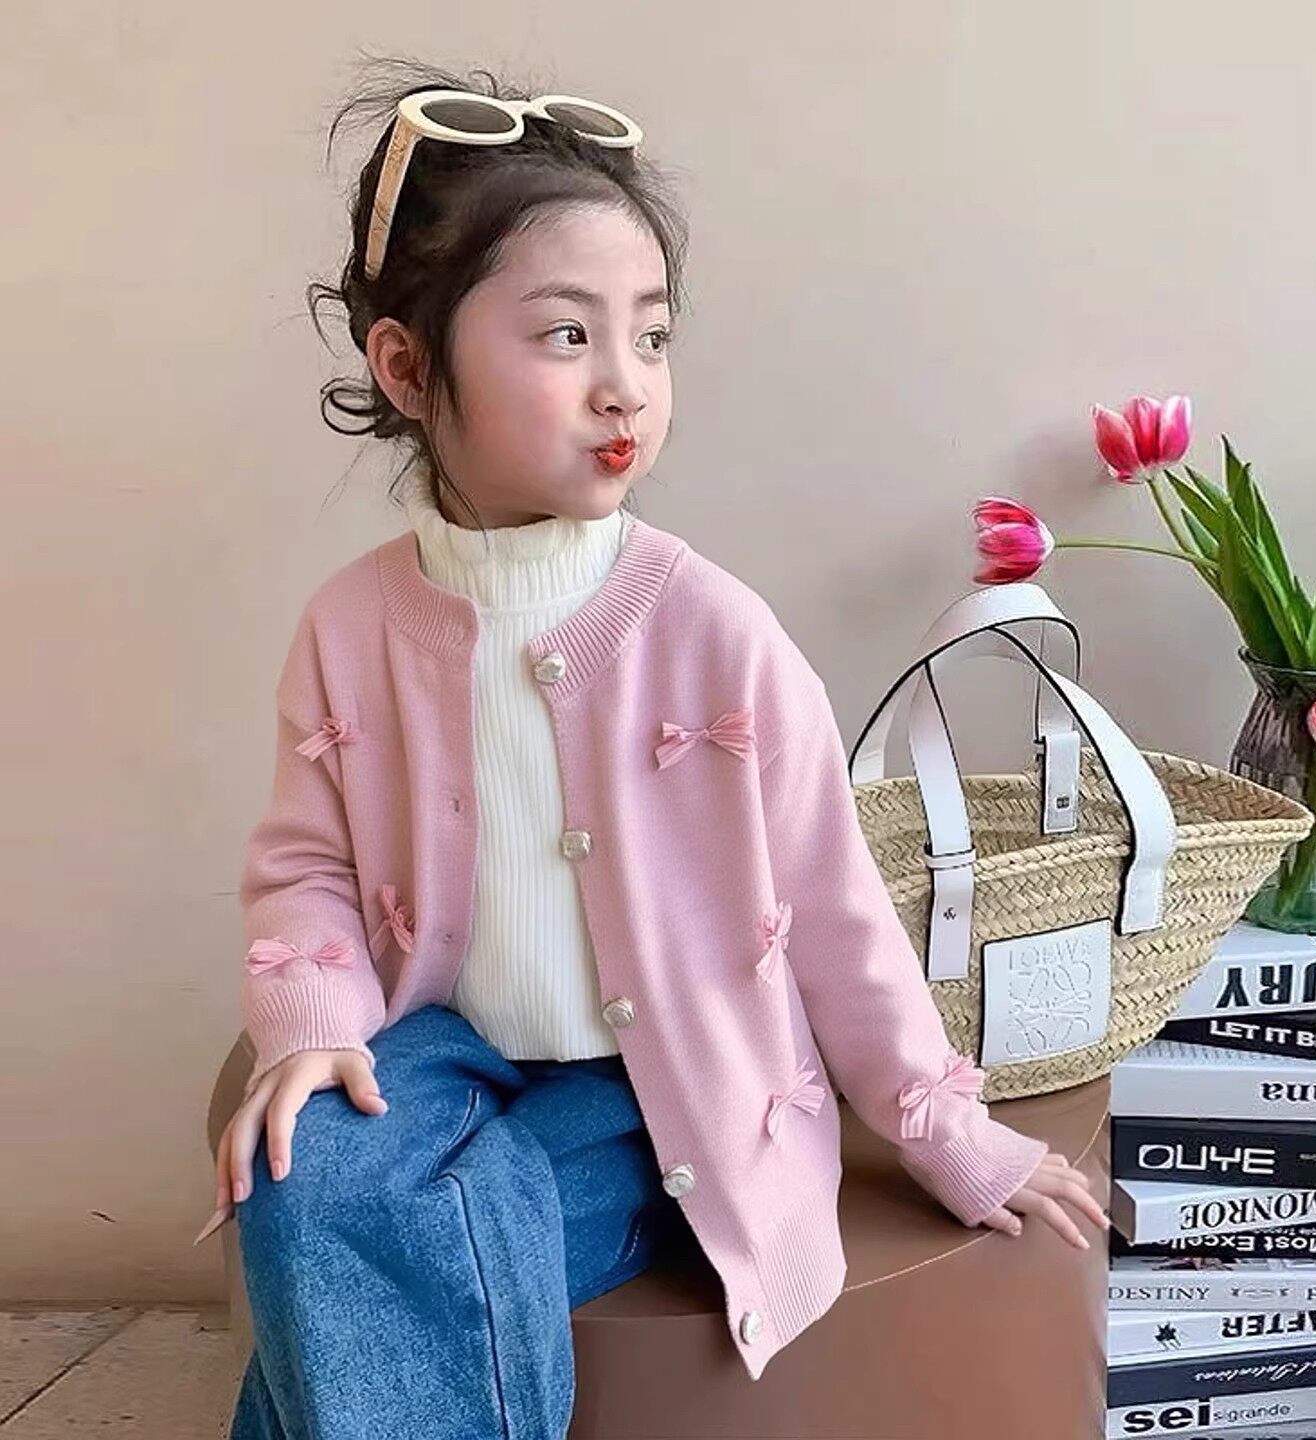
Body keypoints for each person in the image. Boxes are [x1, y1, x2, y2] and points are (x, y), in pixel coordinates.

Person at [198, 56, 1108, 1440]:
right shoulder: (351, 625)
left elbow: (834, 909)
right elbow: (304, 868)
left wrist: (944, 1130)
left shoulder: (714, 633)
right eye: (567, 336)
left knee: (403, 1234)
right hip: (433, 1051)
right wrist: (315, 1033)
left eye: (653, 337)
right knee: (301, 1175)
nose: (625, 387)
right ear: (406, 368)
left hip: (655, 1090)